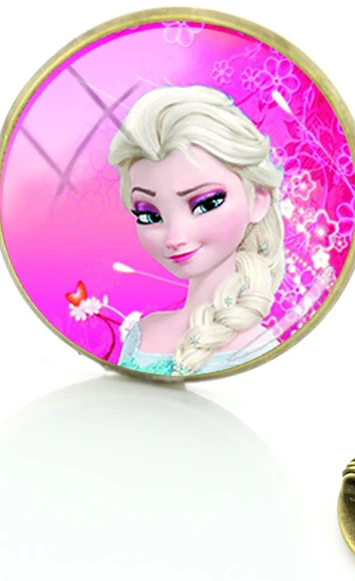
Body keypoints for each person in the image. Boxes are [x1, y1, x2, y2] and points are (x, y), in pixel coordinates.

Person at [108, 85, 285, 376]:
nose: (174, 238)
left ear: (258, 200)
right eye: (149, 215)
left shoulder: (260, 351)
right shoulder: (142, 333)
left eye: (205, 204)